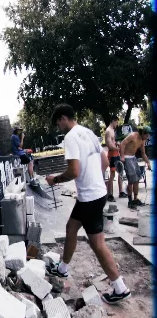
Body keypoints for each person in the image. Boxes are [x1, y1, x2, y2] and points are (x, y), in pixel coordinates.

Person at [45, 104, 130, 304]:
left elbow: (74, 171)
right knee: (71, 227)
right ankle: (63, 268)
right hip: (94, 194)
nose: (59, 128)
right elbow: (105, 162)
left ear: (63, 118)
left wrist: (55, 179)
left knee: (97, 244)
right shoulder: (89, 133)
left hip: (90, 197)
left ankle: (120, 286)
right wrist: (93, 179)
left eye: (58, 124)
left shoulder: (71, 137)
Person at [119, 126, 152, 208]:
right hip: (127, 158)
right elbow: (122, 143)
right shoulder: (133, 135)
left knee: (137, 179)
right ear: (143, 132)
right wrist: (122, 156)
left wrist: (148, 162)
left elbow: (143, 153)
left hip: (133, 158)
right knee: (131, 180)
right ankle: (130, 201)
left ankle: (135, 199)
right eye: (147, 135)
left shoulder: (142, 140)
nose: (148, 137)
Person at [104, 116, 125, 201]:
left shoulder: (113, 130)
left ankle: (121, 192)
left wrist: (117, 144)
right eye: (116, 122)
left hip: (116, 153)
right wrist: (118, 148)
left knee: (120, 172)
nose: (117, 124)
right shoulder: (108, 131)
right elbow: (109, 145)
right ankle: (110, 195)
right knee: (112, 175)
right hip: (112, 154)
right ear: (113, 121)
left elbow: (112, 142)